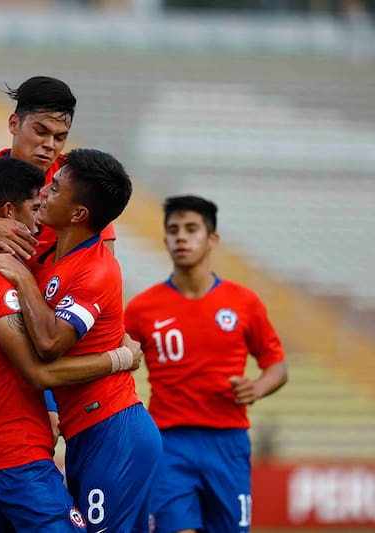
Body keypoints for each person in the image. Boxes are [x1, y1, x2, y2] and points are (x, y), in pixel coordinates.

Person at [0, 157, 141, 532]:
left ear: (78, 214)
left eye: (55, 188)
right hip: (51, 437)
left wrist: (21, 277)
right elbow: (40, 364)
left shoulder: (94, 269)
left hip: (110, 425)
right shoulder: (34, 264)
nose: (44, 192)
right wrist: (120, 358)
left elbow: (48, 343)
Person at [123, 195, 289, 533]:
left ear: (212, 239)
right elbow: (113, 358)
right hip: (168, 443)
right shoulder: (142, 308)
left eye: (191, 229)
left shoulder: (244, 302)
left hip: (228, 442)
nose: (181, 237)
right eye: (173, 230)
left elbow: (277, 365)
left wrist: (256, 387)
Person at [0, 75, 117, 255]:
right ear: (14, 124)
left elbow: (103, 258)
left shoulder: (81, 183)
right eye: (41, 132)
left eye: (60, 137)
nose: (50, 145)